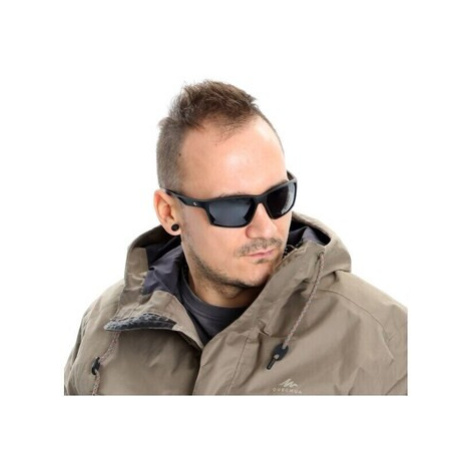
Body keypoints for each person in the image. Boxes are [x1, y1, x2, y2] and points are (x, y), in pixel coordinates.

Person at [64, 80, 407, 395]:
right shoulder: (105, 328)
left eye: (278, 198)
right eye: (232, 207)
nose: (265, 229)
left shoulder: (383, 338)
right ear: (169, 213)